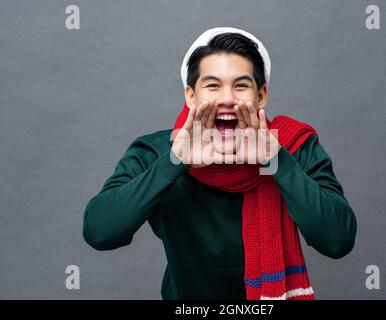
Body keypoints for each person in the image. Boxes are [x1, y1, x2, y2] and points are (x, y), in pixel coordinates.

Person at [83, 27, 357, 300]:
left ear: (261, 96)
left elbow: (337, 240)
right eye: (213, 85)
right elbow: (100, 232)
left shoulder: (292, 147)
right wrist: (174, 162)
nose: (227, 99)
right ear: (191, 95)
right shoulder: (156, 152)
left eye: (240, 85)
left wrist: (277, 162)